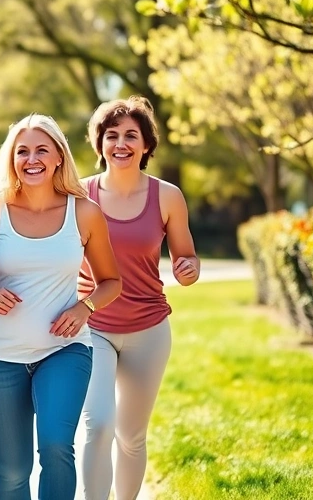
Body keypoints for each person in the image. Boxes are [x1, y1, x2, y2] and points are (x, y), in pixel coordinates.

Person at [0, 114, 121, 500]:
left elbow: (111, 281)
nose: (32, 159)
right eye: (22, 151)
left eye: (41, 150)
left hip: (64, 350)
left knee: (57, 445)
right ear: (11, 159)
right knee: (12, 471)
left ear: (59, 157)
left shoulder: (84, 212)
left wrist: (85, 309)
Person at [78, 95, 200, 500]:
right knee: (98, 426)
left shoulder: (167, 196)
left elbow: (186, 256)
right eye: (111, 135)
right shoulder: (79, 196)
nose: (121, 143)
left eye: (131, 135)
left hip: (148, 330)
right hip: (92, 325)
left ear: (146, 145)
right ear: (100, 145)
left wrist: (189, 269)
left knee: (131, 436)